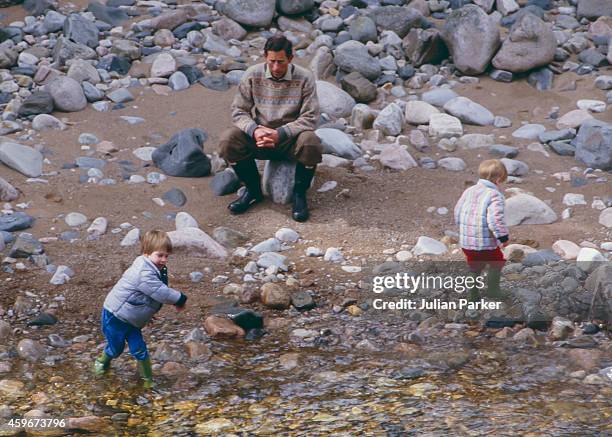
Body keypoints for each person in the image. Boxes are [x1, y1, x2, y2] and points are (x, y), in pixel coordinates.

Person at [219, 34, 323, 222]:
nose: (276, 67)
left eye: (281, 62)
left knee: (311, 142)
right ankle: (253, 191)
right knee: (228, 140)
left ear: (290, 59)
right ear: (265, 57)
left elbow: (310, 117)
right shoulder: (252, 74)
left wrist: (280, 133)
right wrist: (255, 130)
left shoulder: (305, 77)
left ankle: (299, 195)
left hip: (291, 139)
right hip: (259, 137)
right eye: (272, 61)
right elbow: (238, 111)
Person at [93, 230, 187, 388]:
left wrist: (146, 315)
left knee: (140, 349)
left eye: (166, 256)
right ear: (146, 253)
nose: (164, 260)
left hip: (132, 318)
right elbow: (160, 292)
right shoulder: (143, 272)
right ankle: (102, 361)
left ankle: (148, 380)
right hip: (115, 315)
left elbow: (148, 296)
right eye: (160, 255)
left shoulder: (155, 268)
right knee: (116, 349)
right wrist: (180, 299)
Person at [454, 159, 510, 301]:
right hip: (484, 243)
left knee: (474, 266)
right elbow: (495, 220)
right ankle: (493, 291)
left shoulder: (469, 191)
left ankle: (472, 295)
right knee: (497, 261)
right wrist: (503, 237)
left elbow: (457, 211)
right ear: (498, 179)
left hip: (467, 241)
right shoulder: (494, 195)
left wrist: (463, 229)